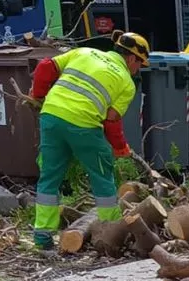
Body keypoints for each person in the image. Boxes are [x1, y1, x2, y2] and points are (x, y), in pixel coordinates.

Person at [27, 30, 151, 249]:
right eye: (140, 64)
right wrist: (120, 148)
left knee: (49, 176)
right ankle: (111, 231)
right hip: (84, 125)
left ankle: (42, 238)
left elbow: (46, 67)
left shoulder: (83, 52)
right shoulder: (126, 82)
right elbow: (111, 120)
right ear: (132, 58)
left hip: (51, 116)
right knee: (102, 176)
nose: (138, 69)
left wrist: (37, 95)